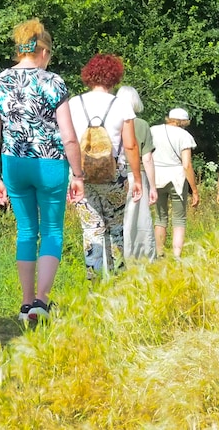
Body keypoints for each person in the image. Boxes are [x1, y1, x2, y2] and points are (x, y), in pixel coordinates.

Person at [0, 19, 85, 324]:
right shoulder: (53, 82)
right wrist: (78, 176)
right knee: (52, 231)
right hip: (51, 163)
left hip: (14, 163)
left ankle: (25, 303)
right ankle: (42, 301)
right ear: (42, 51)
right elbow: (68, 136)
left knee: (26, 231)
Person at [67, 54, 143, 279]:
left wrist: (71, 175)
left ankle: (95, 281)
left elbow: (68, 141)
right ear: (115, 77)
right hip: (114, 175)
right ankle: (118, 279)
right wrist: (137, 178)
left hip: (81, 175)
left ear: (88, 76)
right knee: (115, 228)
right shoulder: (121, 105)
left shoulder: (73, 103)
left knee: (91, 229)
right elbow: (130, 145)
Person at [150, 108, 200, 258]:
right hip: (177, 179)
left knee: (160, 217)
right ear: (184, 122)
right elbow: (186, 165)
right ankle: (177, 256)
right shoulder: (184, 135)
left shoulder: (153, 130)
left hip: (156, 177)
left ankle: (159, 254)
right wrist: (195, 191)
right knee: (179, 219)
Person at [116, 86, 158, 260]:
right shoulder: (141, 125)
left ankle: (116, 256)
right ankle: (142, 255)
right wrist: (153, 187)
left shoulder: (111, 120)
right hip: (136, 176)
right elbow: (147, 158)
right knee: (139, 220)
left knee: (118, 218)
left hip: (114, 175)